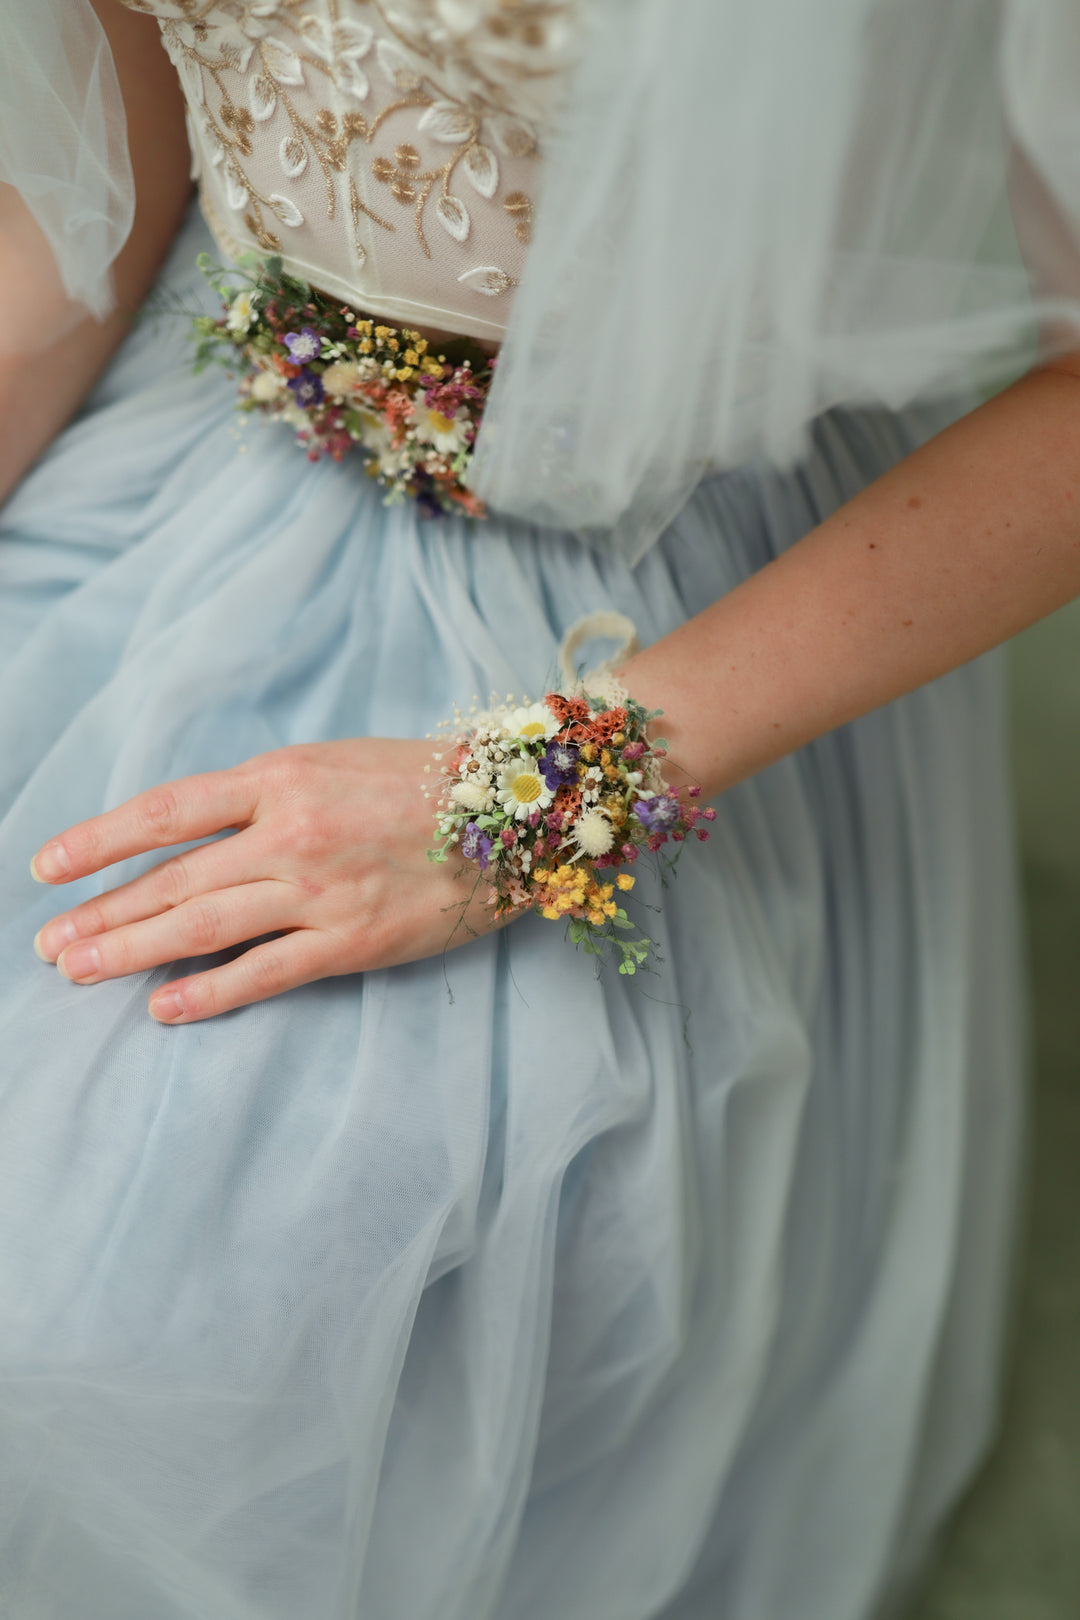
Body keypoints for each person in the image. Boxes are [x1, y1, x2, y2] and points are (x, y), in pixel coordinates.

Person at [1, 2, 1078, 1617]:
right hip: (197, 439)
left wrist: (524, 798)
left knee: (174, 1334)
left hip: (647, 617)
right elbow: (131, 103)